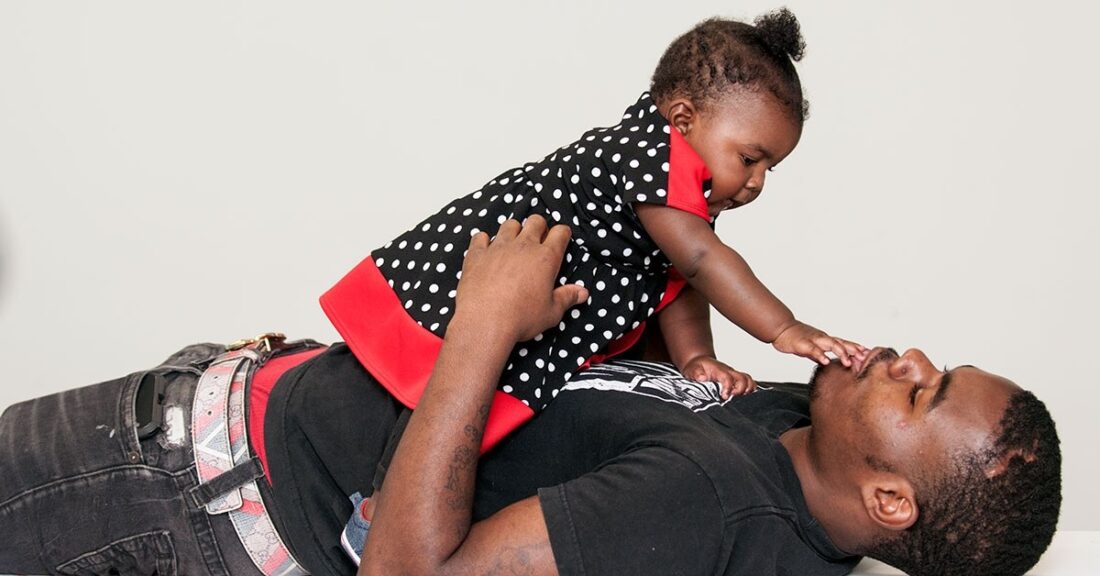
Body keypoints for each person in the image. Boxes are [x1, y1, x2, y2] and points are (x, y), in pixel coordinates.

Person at [0, 216, 1061, 576]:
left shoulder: (707, 507)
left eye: (926, 395)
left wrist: (480, 327)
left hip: (157, 500)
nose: (909, 356)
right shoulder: (779, 426)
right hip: (181, 436)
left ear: (888, 503)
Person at [319, 9, 866, 463]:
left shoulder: (684, 192)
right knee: (437, 395)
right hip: (502, 276)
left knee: (479, 421)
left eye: (771, 168)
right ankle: (376, 510)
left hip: (544, 311)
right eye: (750, 158)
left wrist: (697, 357)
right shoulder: (647, 152)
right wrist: (783, 328)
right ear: (682, 119)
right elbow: (700, 260)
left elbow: (675, 278)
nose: (756, 183)